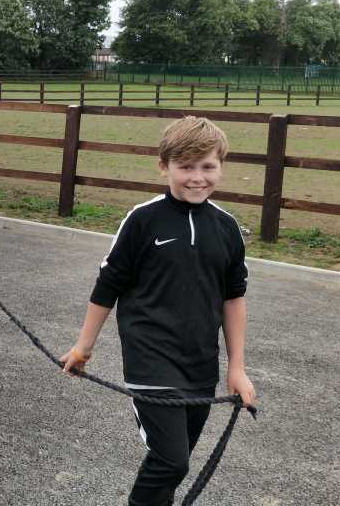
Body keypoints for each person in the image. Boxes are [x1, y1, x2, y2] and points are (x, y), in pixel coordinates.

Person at [59, 116, 256, 506]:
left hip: (201, 364)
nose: (197, 177)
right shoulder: (143, 220)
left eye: (207, 166)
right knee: (171, 460)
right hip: (151, 359)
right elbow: (107, 286)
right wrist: (83, 347)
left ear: (221, 166)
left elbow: (233, 298)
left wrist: (237, 368)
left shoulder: (227, 228)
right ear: (164, 166)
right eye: (186, 167)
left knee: (173, 463)